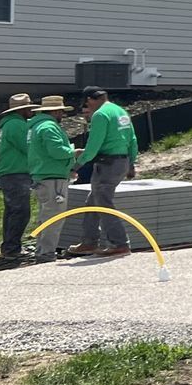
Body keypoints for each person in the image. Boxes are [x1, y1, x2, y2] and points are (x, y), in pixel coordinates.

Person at [70, 86, 138, 258]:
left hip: (108, 164)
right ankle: (89, 242)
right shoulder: (119, 111)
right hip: (121, 162)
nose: (87, 108)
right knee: (93, 201)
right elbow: (132, 139)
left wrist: (76, 166)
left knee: (104, 204)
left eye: (86, 104)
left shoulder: (101, 115)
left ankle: (119, 243)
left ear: (90, 100)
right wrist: (131, 163)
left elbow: (94, 146)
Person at [26, 96, 76, 263]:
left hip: (43, 176)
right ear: (55, 111)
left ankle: (42, 251)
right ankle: (46, 254)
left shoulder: (35, 127)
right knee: (54, 217)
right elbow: (56, 151)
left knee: (46, 215)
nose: (62, 114)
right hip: (52, 179)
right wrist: (73, 152)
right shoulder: (49, 127)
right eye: (61, 111)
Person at [0, 92, 36, 264]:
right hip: (16, 173)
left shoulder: (9, 124)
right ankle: (12, 249)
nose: (31, 110)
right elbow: (28, 148)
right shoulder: (17, 125)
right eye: (28, 108)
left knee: (12, 211)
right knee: (20, 212)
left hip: (9, 173)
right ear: (22, 110)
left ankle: (10, 248)